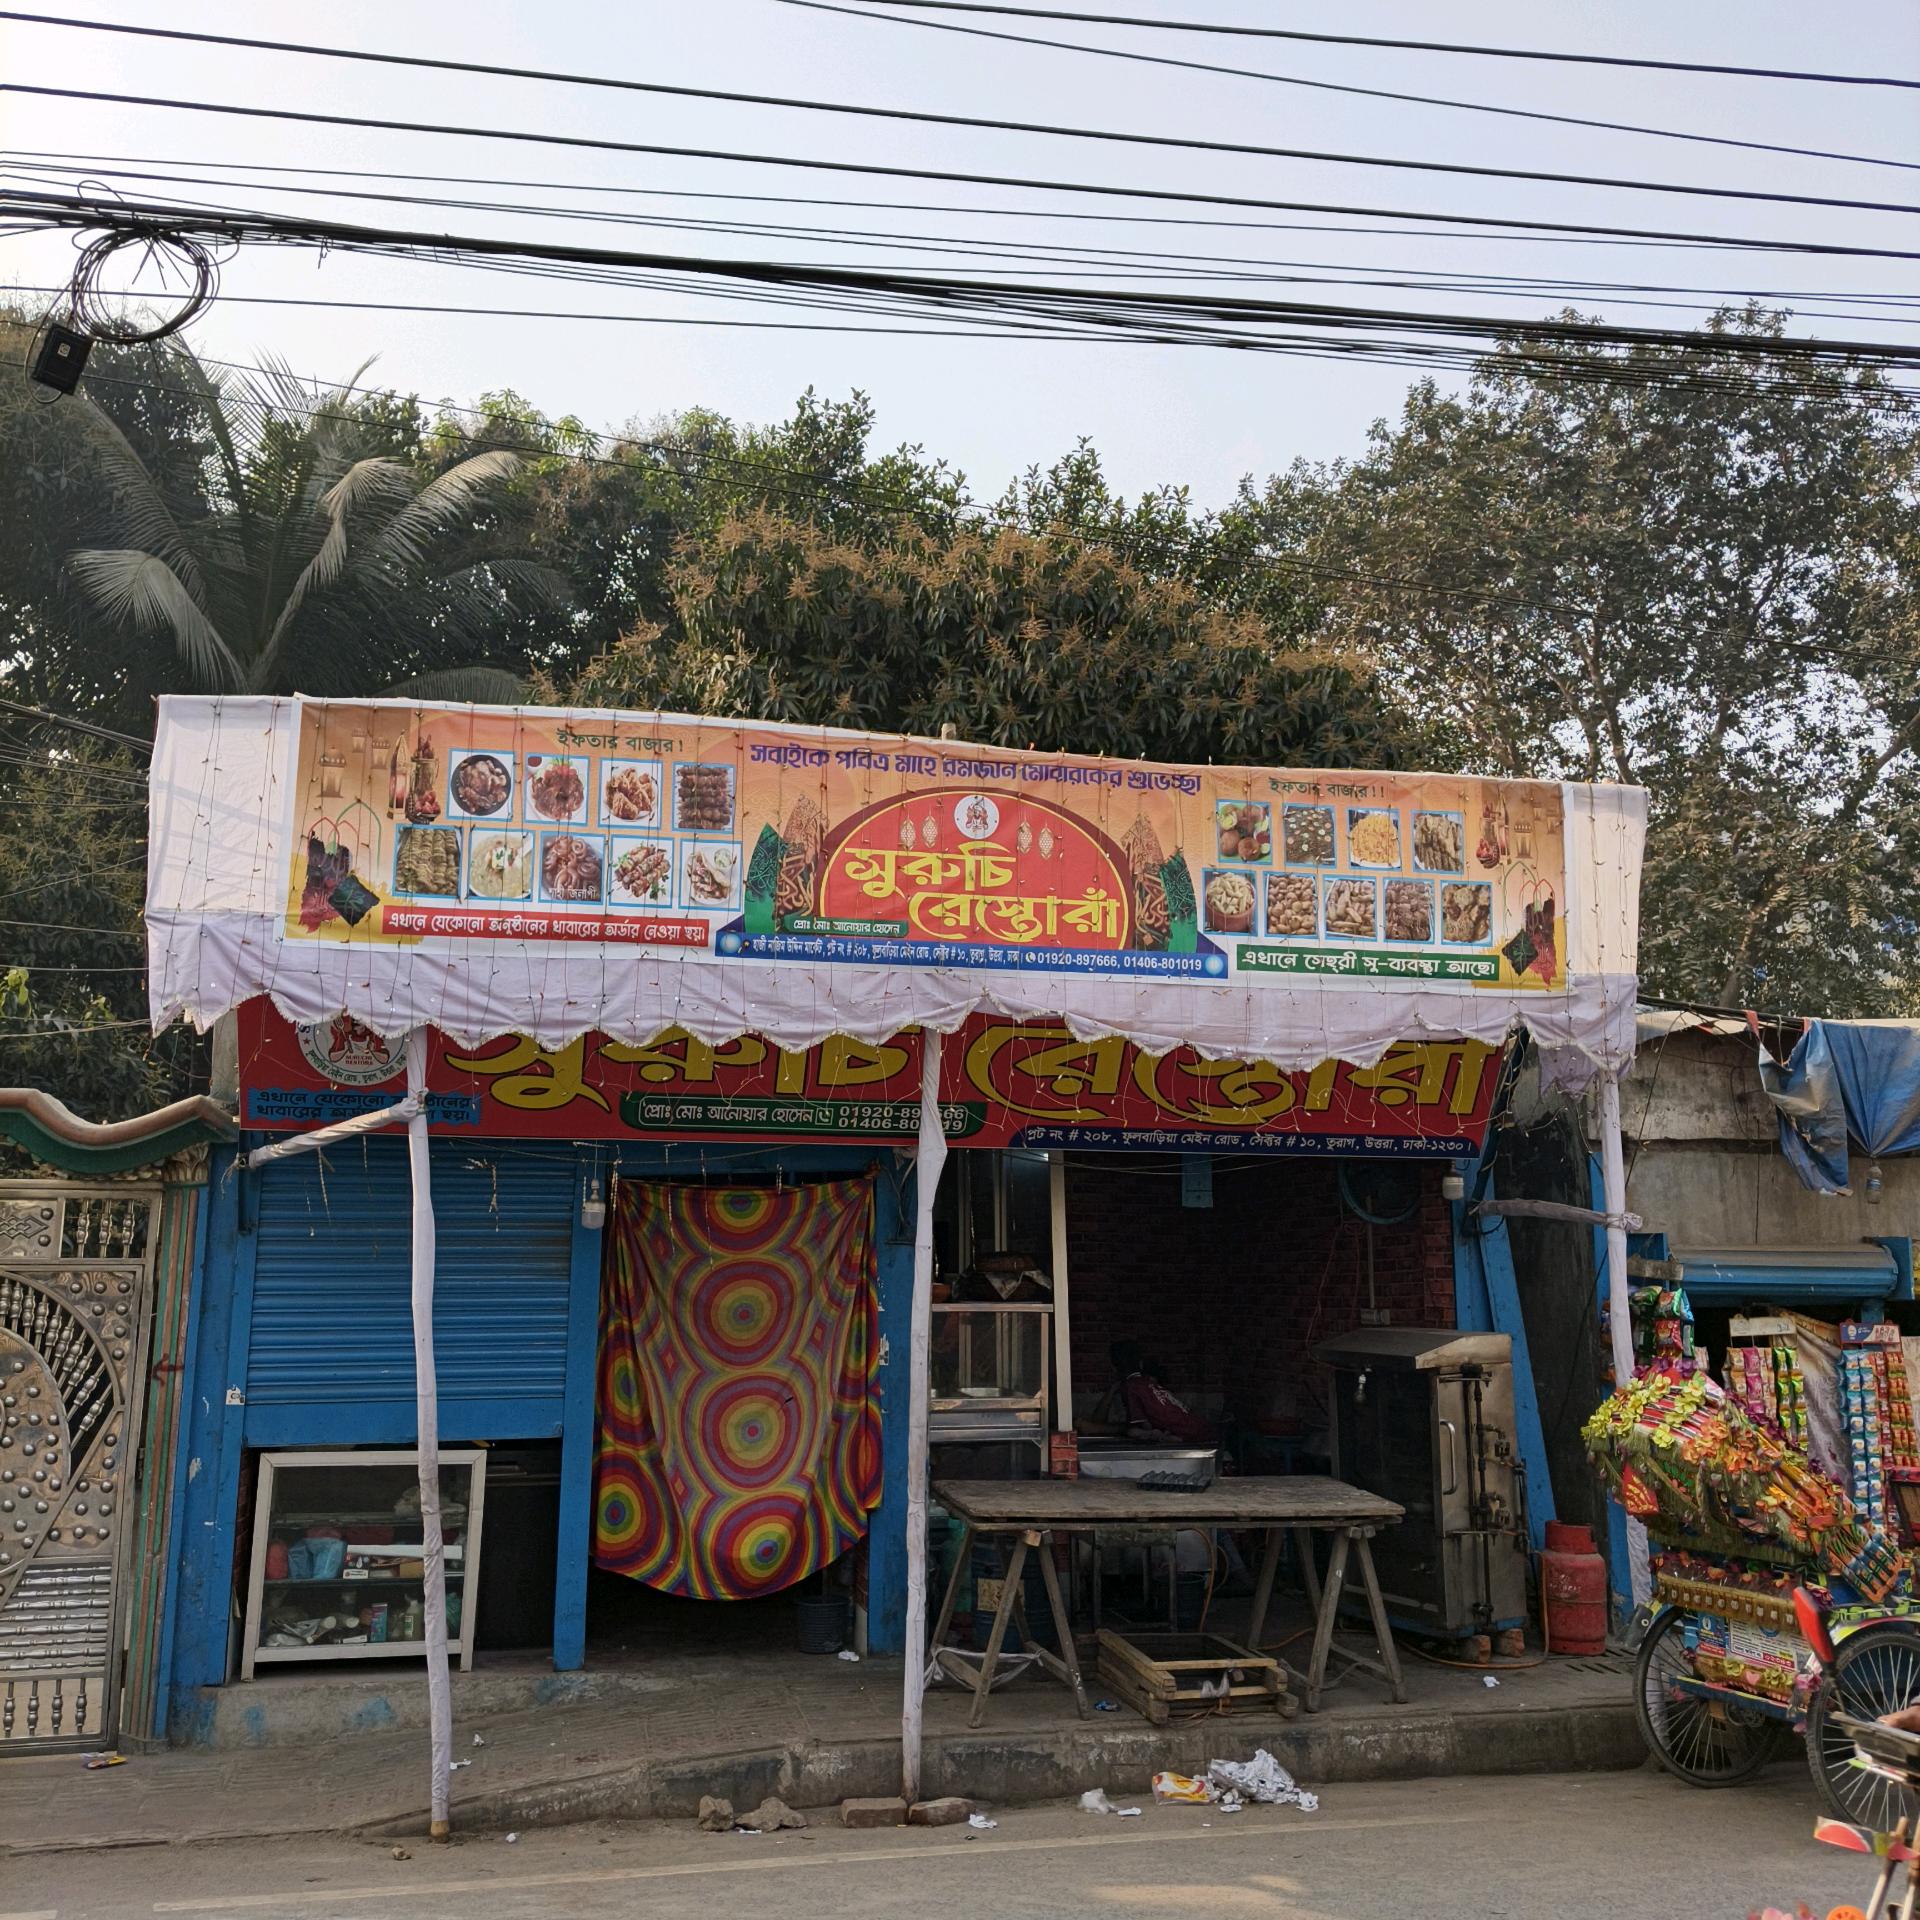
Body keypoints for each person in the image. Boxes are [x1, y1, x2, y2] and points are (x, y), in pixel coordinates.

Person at [1090, 1338, 1217, 1446]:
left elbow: (1139, 1427)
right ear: (1140, 1363)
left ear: (1113, 1366)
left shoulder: (1131, 1386)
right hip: (1201, 1429)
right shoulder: (1148, 1382)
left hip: (1189, 1436)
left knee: (1132, 1432)